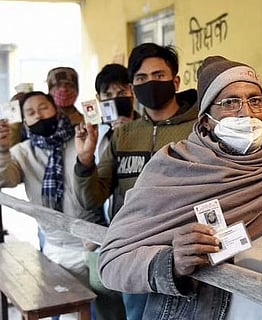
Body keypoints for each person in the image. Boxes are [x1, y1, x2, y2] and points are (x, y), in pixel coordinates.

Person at [97, 55, 262, 319]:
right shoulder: (172, 168)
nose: (245, 112)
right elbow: (111, 263)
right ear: (206, 119)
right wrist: (173, 262)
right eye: (230, 102)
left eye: (255, 100)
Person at [74, 43, 198, 320]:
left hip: (186, 253)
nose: (150, 83)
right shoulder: (124, 135)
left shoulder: (198, 130)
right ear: (133, 85)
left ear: (175, 81)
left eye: (159, 75)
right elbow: (94, 196)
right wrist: (84, 160)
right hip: (136, 256)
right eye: (141, 78)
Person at [0, 91, 104, 299]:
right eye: (30, 112)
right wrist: (2, 150)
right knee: (65, 308)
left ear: (55, 109)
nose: (38, 115)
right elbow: (6, 179)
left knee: (106, 310)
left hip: (96, 243)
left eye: (43, 108)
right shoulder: (22, 152)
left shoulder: (82, 138)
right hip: (58, 247)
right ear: (25, 121)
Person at [86, 63, 140, 320]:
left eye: (121, 92)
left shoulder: (146, 130)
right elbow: (89, 189)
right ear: (99, 100)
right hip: (103, 235)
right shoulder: (95, 135)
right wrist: (91, 229)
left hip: (136, 240)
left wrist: (129, 135)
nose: (115, 99)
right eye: (108, 95)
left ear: (132, 93)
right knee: (107, 308)